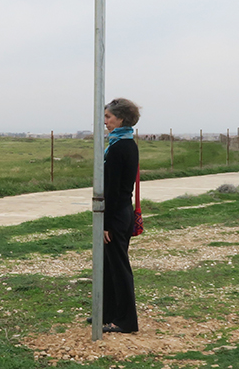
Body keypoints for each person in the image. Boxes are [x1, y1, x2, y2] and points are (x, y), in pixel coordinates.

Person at [99, 98, 140, 333]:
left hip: (116, 214)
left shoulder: (119, 148)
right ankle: (107, 314)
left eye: (108, 117)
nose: (105, 121)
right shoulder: (125, 143)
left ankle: (126, 321)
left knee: (119, 267)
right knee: (108, 266)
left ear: (121, 119)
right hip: (121, 211)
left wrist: (106, 222)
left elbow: (113, 190)